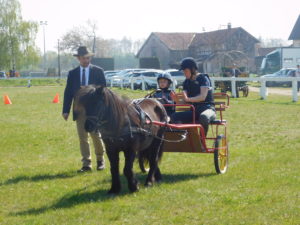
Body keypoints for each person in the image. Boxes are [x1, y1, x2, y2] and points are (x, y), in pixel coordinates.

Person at [62, 46, 106, 173]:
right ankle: (86, 164)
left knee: (95, 135)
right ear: (78, 59)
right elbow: (68, 93)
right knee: (83, 137)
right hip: (79, 110)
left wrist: (90, 89)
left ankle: (100, 160)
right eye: (84, 58)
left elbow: (103, 90)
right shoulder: (72, 73)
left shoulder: (98, 71)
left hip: (94, 110)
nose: (86, 60)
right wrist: (65, 110)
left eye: (88, 58)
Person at [170, 57, 216, 136]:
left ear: (193, 69)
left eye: (186, 71)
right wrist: (177, 101)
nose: (184, 73)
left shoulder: (203, 78)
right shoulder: (186, 82)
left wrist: (188, 99)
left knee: (204, 117)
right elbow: (185, 101)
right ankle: (184, 139)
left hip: (208, 109)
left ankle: (201, 143)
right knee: (174, 117)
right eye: (183, 71)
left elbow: (202, 97)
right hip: (194, 111)